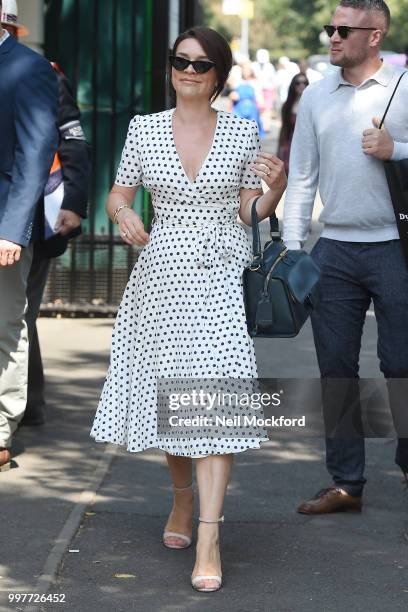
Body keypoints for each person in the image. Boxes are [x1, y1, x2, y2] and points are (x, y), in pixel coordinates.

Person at [90, 26, 287, 591]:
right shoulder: (144, 129)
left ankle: (209, 535)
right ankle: (181, 501)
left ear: (219, 75)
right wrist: (123, 213)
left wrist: (277, 185)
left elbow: (252, 212)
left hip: (219, 277)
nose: (189, 71)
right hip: (160, 279)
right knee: (171, 394)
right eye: (181, 61)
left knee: (214, 400)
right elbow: (119, 191)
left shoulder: (242, 131)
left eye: (201, 65)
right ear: (170, 67)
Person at [283, 0, 408, 513]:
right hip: (333, 248)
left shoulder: (403, 90)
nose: (331, 37)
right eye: (329, 28)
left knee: (401, 366)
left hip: (396, 247)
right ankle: (346, 484)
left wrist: (394, 148)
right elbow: (302, 177)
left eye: (342, 29)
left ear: (374, 35)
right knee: (336, 368)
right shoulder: (316, 95)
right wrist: (292, 251)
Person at [0, 0, 58, 470]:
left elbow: (35, 154)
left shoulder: (29, 68)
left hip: (3, 222)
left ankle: (0, 429)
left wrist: (12, 229)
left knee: (4, 324)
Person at [277, 73, 309, 175]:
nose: (301, 85)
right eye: (298, 83)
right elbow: (284, 128)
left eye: (304, 83)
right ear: (293, 85)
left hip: (307, 145)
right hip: (291, 144)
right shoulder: (287, 106)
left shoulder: (313, 104)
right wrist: (281, 147)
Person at [230, 61, 265, 137]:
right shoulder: (237, 82)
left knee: (251, 134)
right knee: (238, 132)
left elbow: (259, 97)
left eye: (248, 70)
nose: (246, 72)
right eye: (244, 69)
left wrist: (261, 106)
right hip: (239, 109)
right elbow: (232, 95)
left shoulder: (255, 82)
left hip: (252, 109)